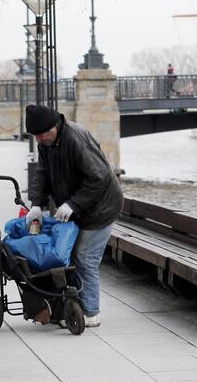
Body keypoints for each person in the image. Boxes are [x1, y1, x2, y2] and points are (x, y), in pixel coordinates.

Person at [24, 104, 123, 328]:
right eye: (36, 136)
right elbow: (42, 173)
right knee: (66, 256)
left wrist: (72, 204)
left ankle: (90, 312)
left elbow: (99, 178)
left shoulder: (76, 139)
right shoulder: (47, 143)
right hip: (78, 209)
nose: (39, 140)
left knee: (85, 257)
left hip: (101, 208)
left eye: (43, 134)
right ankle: (70, 309)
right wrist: (37, 204)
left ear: (54, 126)